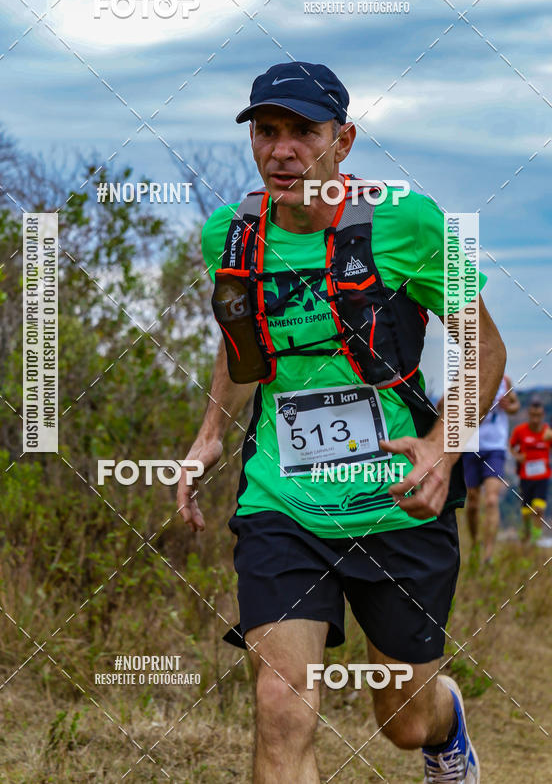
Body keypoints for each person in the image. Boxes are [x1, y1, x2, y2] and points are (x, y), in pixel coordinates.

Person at [178, 62, 507, 783]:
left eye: (304, 132)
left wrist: (441, 452)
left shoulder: (411, 221)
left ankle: (445, 729)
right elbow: (243, 353)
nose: (283, 150)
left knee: (404, 719)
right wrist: (209, 437)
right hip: (281, 501)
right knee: (281, 699)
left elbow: (484, 344)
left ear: (343, 140)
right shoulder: (228, 237)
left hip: (396, 500)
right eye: (267, 132)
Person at [463, 373, 519, 562]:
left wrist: (509, 405)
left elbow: (515, 405)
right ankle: (474, 542)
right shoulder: (465, 376)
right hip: (471, 445)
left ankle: (488, 554)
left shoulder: (505, 380)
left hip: (495, 447)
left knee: (492, 501)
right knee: (472, 501)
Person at [509, 399, 552, 543]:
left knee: (539, 509)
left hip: (543, 477)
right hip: (525, 478)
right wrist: (518, 456)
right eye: (533, 415)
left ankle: (535, 540)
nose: (535, 419)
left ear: (543, 415)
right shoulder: (520, 431)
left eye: (538, 415)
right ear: (528, 414)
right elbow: (511, 447)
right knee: (526, 512)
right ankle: (527, 534)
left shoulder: (548, 433)